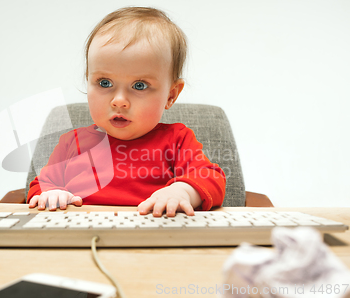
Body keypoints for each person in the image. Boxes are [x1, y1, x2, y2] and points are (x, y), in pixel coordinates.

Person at [27, 7, 226, 217]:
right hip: (84, 238)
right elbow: (40, 186)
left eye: (139, 85)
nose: (119, 101)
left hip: (153, 239)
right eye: (104, 83)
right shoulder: (72, 144)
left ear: (170, 95)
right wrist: (52, 194)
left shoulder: (177, 140)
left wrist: (183, 191)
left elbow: (212, 179)